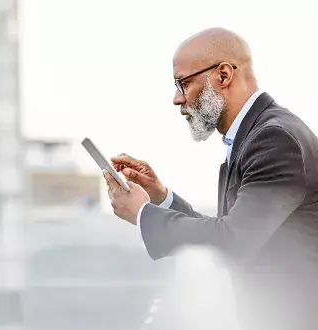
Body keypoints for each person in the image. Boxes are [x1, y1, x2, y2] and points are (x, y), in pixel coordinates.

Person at [103, 27, 318, 330]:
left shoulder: (274, 139)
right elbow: (226, 232)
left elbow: (231, 241)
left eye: (183, 83)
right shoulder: (254, 137)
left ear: (224, 75)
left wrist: (142, 213)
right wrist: (160, 197)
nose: (178, 99)